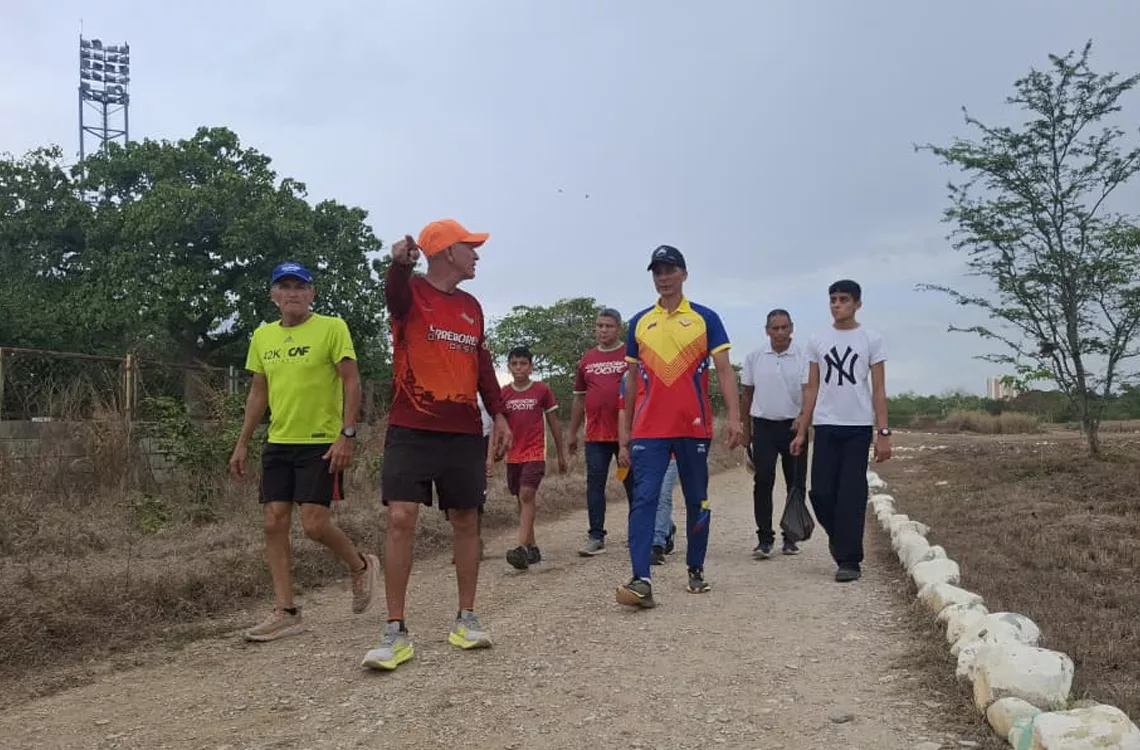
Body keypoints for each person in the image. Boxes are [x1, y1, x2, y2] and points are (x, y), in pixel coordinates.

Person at [361, 220, 512, 671]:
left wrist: (500, 413)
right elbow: (393, 293)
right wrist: (397, 264)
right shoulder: (409, 295)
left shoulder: (472, 306)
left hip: (464, 430)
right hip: (411, 427)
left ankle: (467, 618)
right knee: (400, 517)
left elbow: (482, 364)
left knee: (466, 519)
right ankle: (394, 630)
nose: (477, 256)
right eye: (471, 248)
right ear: (447, 252)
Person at [229, 261, 378, 642]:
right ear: (273, 295)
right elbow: (258, 392)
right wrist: (243, 441)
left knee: (313, 525)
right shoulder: (263, 337)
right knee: (273, 521)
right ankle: (286, 611)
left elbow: (352, 381)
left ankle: (360, 565)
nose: (293, 292)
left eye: (301, 286)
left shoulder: (332, 328)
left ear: (312, 294)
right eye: (285, 286)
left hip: (321, 442)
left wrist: (347, 434)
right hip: (279, 441)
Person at [615, 245, 743, 608]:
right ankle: (641, 579)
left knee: (696, 499)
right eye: (657, 271)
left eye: (670, 270)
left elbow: (723, 370)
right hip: (649, 430)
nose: (663, 277)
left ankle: (696, 568)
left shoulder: (706, 318)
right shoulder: (640, 322)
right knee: (644, 499)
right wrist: (625, 430)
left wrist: (734, 418)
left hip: (692, 426)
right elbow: (631, 380)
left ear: (684, 274)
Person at [791, 279, 891, 583]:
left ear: (857, 304)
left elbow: (879, 389)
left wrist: (883, 432)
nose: (837, 304)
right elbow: (811, 387)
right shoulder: (817, 339)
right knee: (821, 492)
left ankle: (849, 559)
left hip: (858, 426)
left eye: (844, 299)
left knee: (851, 492)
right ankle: (840, 536)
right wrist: (801, 429)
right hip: (826, 424)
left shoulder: (871, 339)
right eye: (833, 299)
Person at [741, 308, 811, 558]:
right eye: (775, 328)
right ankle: (764, 538)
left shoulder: (804, 356)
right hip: (764, 427)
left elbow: (809, 391)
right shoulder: (755, 357)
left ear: (791, 328)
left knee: (795, 483)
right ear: (767, 330)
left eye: (784, 327)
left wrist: (803, 418)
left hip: (793, 428)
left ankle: (791, 536)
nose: (780, 332)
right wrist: (745, 429)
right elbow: (747, 393)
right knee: (763, 481)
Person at [567, 308, 634, 557]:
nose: (603, 330)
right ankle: (596, 536)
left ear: (618, 328)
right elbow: (578, 399)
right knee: (595, 484)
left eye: (608, 326)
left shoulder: (630, 355)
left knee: (632, 484)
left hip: (625, 434)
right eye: (599, 326)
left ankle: (638, 532)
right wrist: (572, 433)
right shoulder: (587, 359)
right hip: (595, 435)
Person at [498, 346, 568, 569]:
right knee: (520, 498)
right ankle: (532, 546)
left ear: (531, 366)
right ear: (509, 367)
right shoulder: (504, 393)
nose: (519, 368)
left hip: (535, 452)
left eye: (523, 364)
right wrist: (496, 451)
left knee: (527, 494)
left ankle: (521, 547)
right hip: (513, 454)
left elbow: (554, 422)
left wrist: (561, 453)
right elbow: (499, 425)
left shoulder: (542, 390)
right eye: (514, 364)